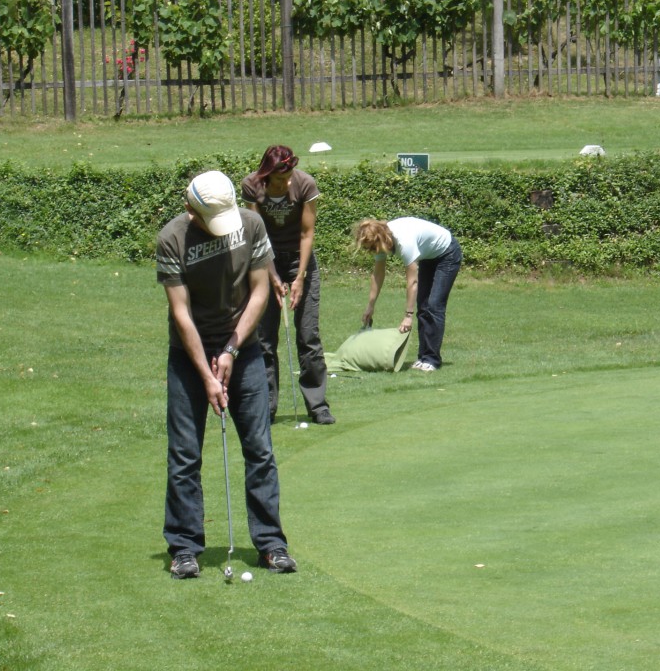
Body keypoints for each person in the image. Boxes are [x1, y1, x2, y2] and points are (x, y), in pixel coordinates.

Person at [156, 169, 297, 579]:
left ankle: (271, 544)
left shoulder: (250, 225)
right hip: (188, 356)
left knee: (260, 450)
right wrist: (206, 372)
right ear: (190, 210)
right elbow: (180, 313)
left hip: (245, 349)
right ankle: (184, 548)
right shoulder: (172, 238)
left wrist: (232, 348)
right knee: (184, 456)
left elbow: (258, 292)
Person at [240, 146, 335, 425]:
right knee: (264, 340)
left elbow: (307, 233)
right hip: (263, 260)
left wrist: (299, 278)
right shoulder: (252, 185)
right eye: (280, 180)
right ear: (267, 175)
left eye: (289, 176)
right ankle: (266, 408)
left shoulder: (304, 184)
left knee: (308, 337)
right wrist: (272, 276)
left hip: (299, 260)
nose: (286, 183)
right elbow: (258, 236)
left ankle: (317, 406)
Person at [353, 217, 462, 371]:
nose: (372, 251)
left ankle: (432, 360)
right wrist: (370, 306)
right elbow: (378, 275)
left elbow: (412, 282)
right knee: (423, 306)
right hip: (429, 257)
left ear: (380, 239)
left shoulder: (404, 241)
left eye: (372, 247)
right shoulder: (382, 240)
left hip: (447, 254)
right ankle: (423, 358)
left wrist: (408, 316)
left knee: (434, 305)